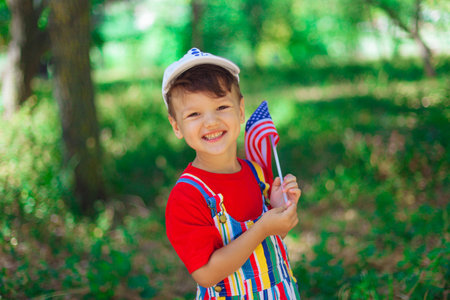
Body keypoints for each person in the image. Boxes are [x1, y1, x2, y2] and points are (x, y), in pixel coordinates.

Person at [163, 48, 301, 299]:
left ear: (240, 111)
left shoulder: (256, 173)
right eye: (194, 114)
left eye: (221, 106)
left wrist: (280, 208)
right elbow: (206, 274)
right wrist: (262, 228)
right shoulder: (187, 195)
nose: (211, 121)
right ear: (176, 126)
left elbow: (274, 238)